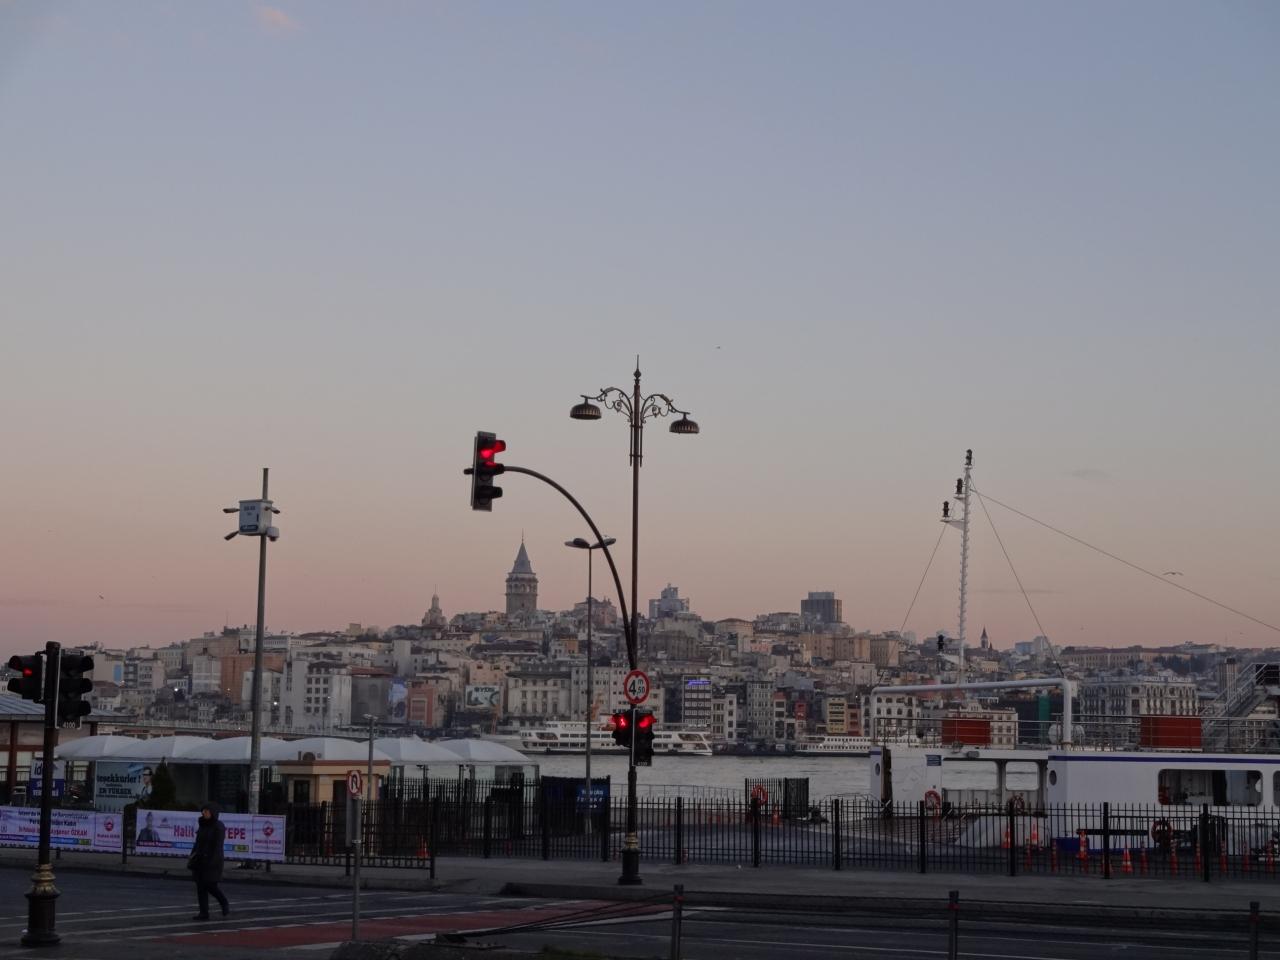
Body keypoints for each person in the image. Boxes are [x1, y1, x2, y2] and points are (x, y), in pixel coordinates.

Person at [187, 803, 229, 920]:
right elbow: (198, 842)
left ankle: (223, 902)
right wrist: (192, 855)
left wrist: (212, 861)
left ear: (212, 813)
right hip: (200, 859)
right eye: (203, 811)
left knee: (210, 885)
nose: (204, 813)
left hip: (212, 860)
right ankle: (203, 912)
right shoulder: (202, 824)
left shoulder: (218, 826)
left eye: (206, 811)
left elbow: (217, 846)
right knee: (200, 887)